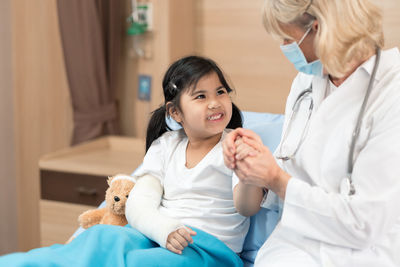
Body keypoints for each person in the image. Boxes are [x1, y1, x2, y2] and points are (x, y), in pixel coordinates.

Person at [0, 55, 248, 267]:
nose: (215, 102)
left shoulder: (236, 145)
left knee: (138, 263)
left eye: (220, 91)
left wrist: (248, 172)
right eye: (201, 96)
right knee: (101, 238)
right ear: (175, 112)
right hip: (156, 234)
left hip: (207, 251)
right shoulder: (165, 146)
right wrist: (162, 229)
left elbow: (248, 207)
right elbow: (140, 202)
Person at [223, 0, 400, 266]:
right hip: (294, 245)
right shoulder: (306, 82)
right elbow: (290, 174)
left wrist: (276, 179)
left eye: (287, 37)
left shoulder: (390, 92)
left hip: (363, 253)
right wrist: (256, 165)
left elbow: (364, 225)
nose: (283, 47)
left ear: (318, 29)